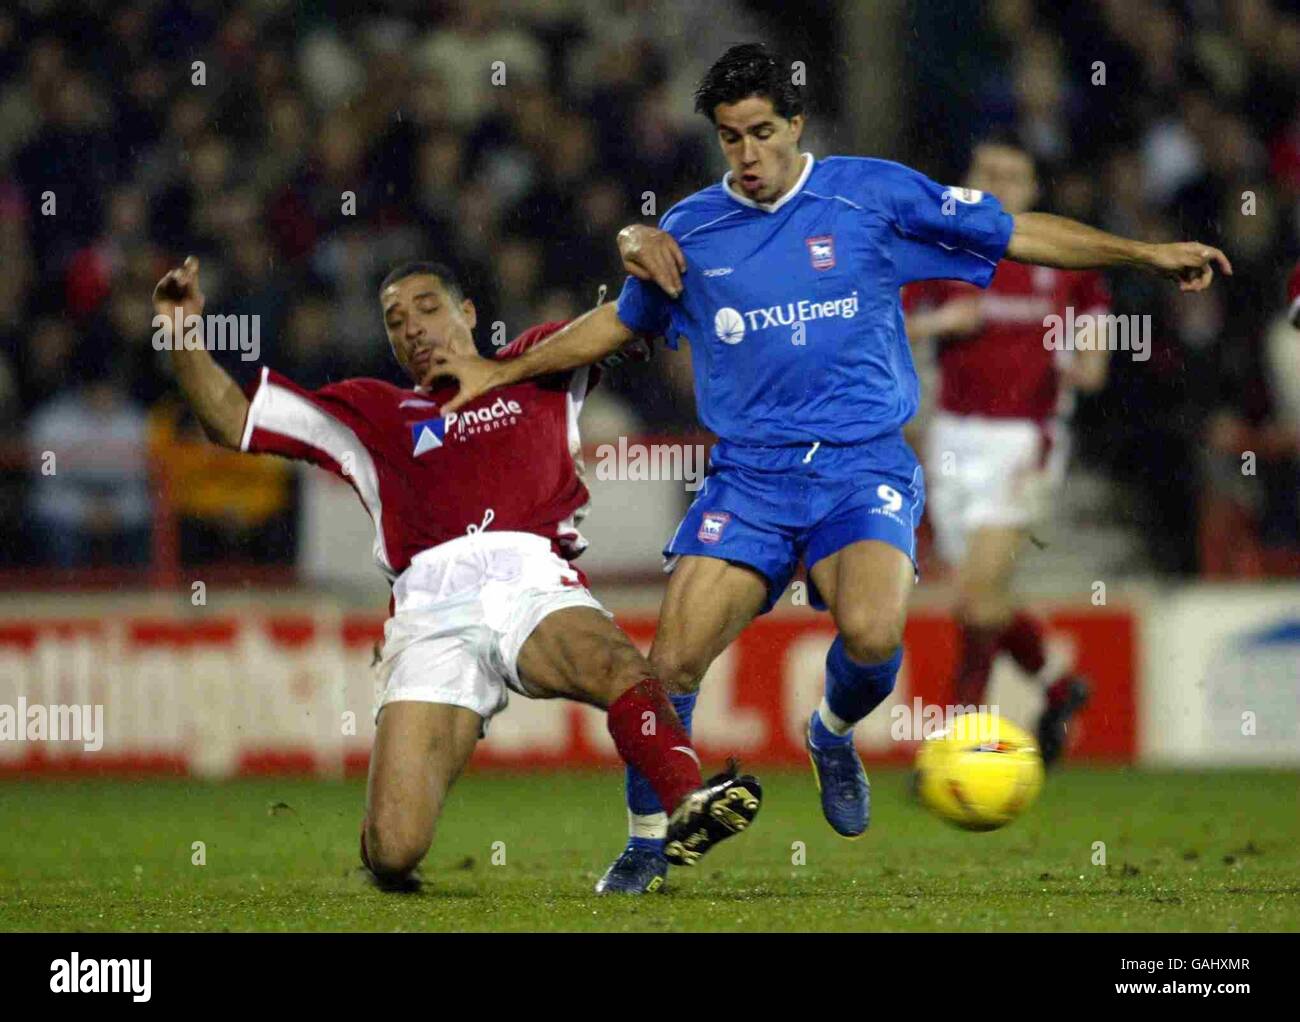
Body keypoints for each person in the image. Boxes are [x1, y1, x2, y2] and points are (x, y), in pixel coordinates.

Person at [428, 44, 1231, 894]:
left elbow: (1017, 230)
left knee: (876, 634)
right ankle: (647, 839)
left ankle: (831, 729)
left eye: (763, 132)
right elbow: (617, 325)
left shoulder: (872, 193)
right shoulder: (691, 230)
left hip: (861, 466)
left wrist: (1144, 256)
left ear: (796, 123)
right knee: (668, 670)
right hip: (748, 479)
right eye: (731, 138)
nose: (748, 155)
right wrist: (503, 369)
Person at [150, 255, 762, 890]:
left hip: (530, 578)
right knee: (395, 848)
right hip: (430, 608)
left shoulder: (537, 364)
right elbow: (229, 419)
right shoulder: (370, 411)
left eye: (426, 307)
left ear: (467, 314)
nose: (412, 327)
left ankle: (689, 800)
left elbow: (629, 317)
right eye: (394, 320)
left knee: (618, 666)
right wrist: (181, 334)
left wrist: (650, 246)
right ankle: (384, 841)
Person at [903, 133, 1110, 765]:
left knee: (973, 595)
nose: (996, 184)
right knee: (982, 599)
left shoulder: (1064, 257)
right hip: (952, 437)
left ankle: (958, 737)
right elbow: (894, 324)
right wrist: (943, 323)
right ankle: (1059, 685)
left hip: (1026, 436)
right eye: (985, 171)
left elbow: (1097, 338)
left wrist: (1090, 363)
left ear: (1032, 189)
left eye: (1011, 176)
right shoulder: (942, 248)